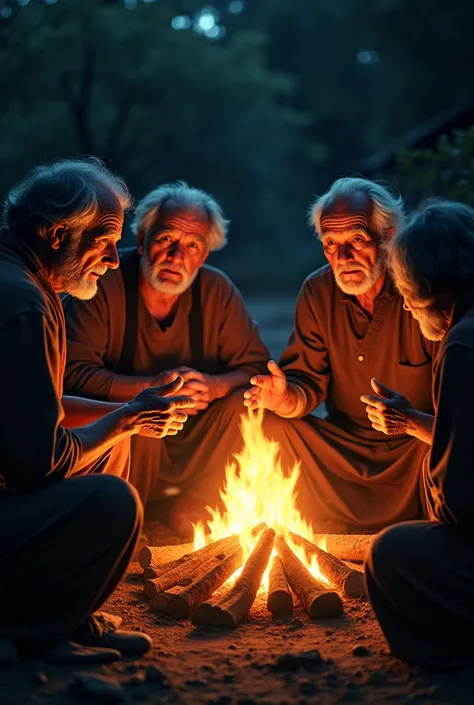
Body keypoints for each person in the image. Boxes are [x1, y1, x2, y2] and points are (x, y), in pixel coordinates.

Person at [0, 158, 195, 664]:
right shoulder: (23, 300)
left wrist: (125, 412)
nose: (113, 259)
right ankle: (34, 634)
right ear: (60, 233)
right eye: (103, 241)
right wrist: (128, 417)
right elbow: (36, 462)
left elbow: (32, 404)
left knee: (112, 438)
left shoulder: (22, 277)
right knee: (112, 502)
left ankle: (67, 610)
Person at [64, 181, 269, 536]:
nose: (177, 256)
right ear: (143, 240)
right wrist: (150, 390)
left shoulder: (216, 290)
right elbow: (72, 375)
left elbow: (256, 369)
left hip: (194, 442)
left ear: (204, 255)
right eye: (166, 239)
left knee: (248, 406)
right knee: (139, 415)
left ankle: (197, 504)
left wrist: (215, 386)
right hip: (130, 446)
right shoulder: (103, 282)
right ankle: (125, 513)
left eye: (192, 246)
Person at [244, 177, 438, 532]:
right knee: (268, 424)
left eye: (357, 240)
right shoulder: (317, 291)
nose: (343, 257)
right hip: (342, 451)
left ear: (389, 236)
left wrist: (410, 419)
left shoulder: (421, 289)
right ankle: (308, 526)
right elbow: (306, 385)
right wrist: (283, 396)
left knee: (449, 447)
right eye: (331, 243)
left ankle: (426, 531)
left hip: (415, 450)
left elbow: (456, 414)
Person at [363, 200, 474, 667]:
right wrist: (410, 419)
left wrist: (434, 490)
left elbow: (462, 501)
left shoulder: (462, 344)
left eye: (406, 289)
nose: (404, 302)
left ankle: (448, 656)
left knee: (391, 552)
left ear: (428, 286)